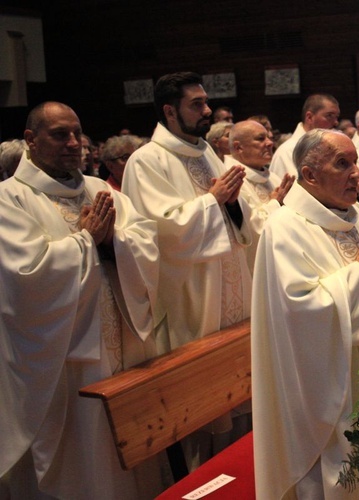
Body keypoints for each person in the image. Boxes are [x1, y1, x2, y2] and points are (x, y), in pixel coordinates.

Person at [0, 102, 165, 498]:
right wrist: (86, 240)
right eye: (60, 135)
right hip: (64, 359)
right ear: (30, 141)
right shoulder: (10, 199)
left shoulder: (98, 189)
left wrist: (114, 241)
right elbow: (23, 276)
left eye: (77, 133)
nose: (74, 143)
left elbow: (145, 241)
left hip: (120, 348)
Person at [252, 129, 359, 499]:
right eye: (343, 164)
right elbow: (300, 311)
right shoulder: (284, 227)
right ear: (310, 176)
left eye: (356, 161)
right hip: (330, 388)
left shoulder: (356, 213)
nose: (357, 172)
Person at [122, 72, 257, 464]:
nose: (207, 110)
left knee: (240, 410)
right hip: (191, 301)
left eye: (205, 101)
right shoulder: (147, 161)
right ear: (169, 110)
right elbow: (160, 232)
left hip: (231, 292)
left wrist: (231, 203)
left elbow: (239, 213)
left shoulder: (206, 153)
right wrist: (213, 200)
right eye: (196, 104)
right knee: (201, 417)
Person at [225, 119, 294, 267]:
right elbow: (247, 231)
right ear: (238, 147)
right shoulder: (230, 179)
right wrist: (275, 203)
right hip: (251, 264)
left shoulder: (273, 178)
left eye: (269, 137)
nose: (269, 143)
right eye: (261, 139)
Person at [269, 93, 340, 178]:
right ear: (309, 117)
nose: (336, 122)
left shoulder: (331, 148)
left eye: (337, 117)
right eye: (329, 115)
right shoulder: (287, 152)